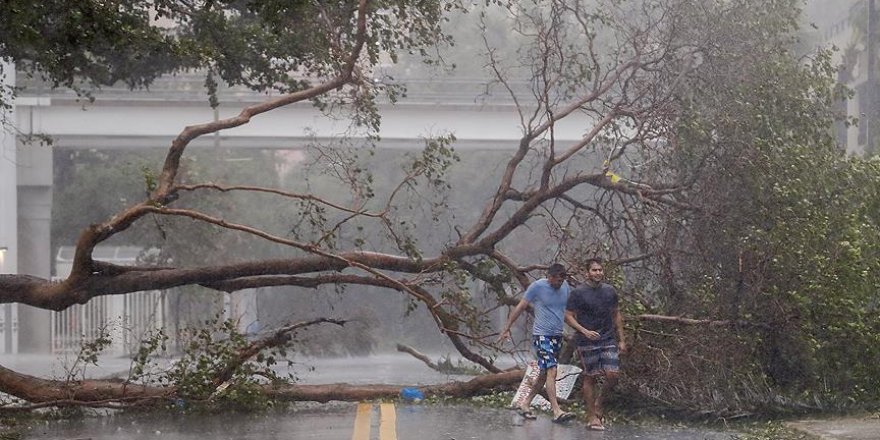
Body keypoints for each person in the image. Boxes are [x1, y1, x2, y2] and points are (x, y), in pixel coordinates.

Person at [497, 263, 575, 423]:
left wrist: (582, 329)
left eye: (562, 280)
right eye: (557, 280)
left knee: (543, 373)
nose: (559, 284)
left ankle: (525, 403)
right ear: (550, 277)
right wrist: (506, 328)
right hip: (541, 336)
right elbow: (520, 307)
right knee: (552, 369)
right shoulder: (537, 287)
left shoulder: (565, 287)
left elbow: (567, 313)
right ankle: (556, 411)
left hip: (557, 336)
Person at [565, 258, 626, 431]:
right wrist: (583, 330)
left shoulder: (609, 291)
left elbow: (616, 315)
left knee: (613, 375)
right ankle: (592, 416)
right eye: (594, 270)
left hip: (607, 338)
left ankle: (599, 403)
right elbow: (568, 315)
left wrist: (621, 340)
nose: (598, 273)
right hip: (587, 341)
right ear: (587, 273)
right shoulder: (578, 293)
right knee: (590, 376)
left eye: (600, 270)